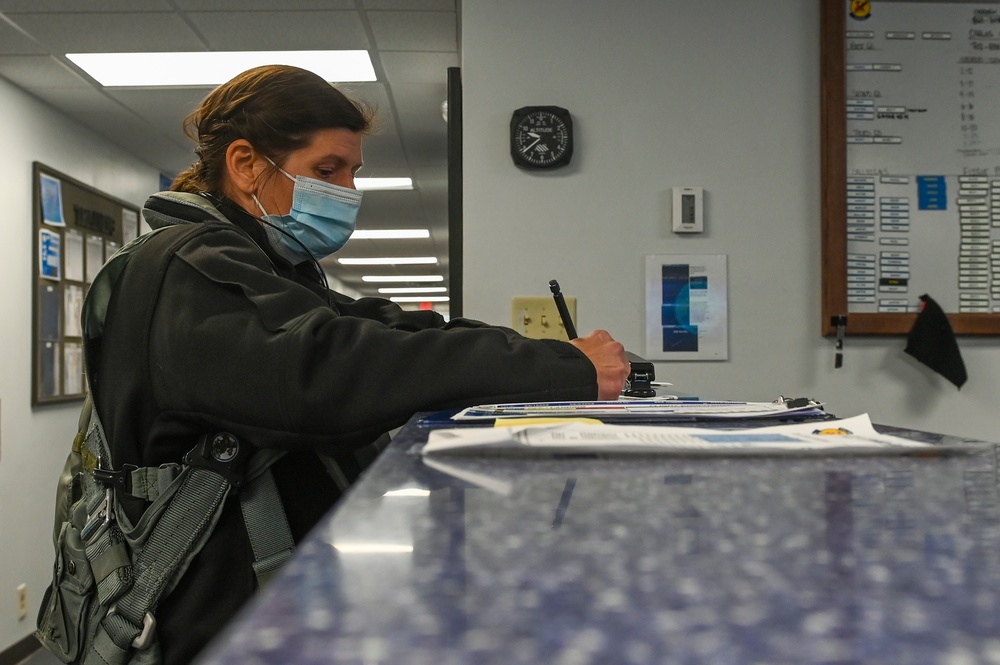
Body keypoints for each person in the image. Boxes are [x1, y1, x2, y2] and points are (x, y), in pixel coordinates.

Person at [89, 64, 630, 664]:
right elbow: (322, 373)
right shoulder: (190, 266)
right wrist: (564, 369)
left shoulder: (268, 268)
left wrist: (550, 357)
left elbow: (383, 327)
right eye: (327, 170)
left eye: (352, 173)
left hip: (275, 598)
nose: (346, 190)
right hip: (211, 617)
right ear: (245, 165)